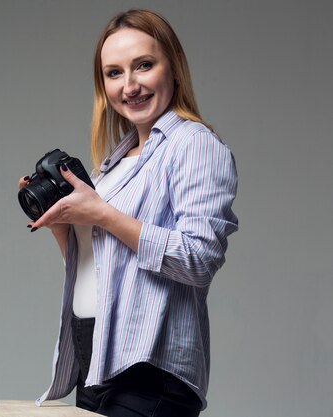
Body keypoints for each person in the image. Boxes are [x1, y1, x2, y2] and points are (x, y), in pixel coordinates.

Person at [18, 9, 238, 417]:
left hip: (149, 370)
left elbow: (199, 258)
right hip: (96, 359)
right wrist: (64, 225)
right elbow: (108, 266)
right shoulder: (115, 162)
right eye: (114, 73)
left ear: (173, 68)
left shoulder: (194, 145)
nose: (130, 85)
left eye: (143, 66)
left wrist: (101, 215)